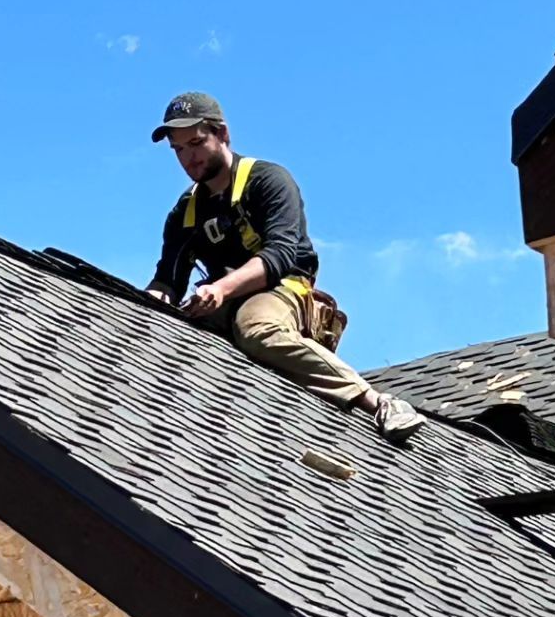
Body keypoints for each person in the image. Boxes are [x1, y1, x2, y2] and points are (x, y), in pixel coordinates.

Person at [147, 91, 424, 443]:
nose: (189, 158)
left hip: (282, 287)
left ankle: (380, 403)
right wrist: (147, 303)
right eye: (179, 150)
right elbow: (167, 282)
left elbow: (279, 255)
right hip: (223, 300)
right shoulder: (185, 213)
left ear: (223, 134)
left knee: (256, 327)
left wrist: (219, 289)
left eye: (196, 143)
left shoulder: (267, 181)